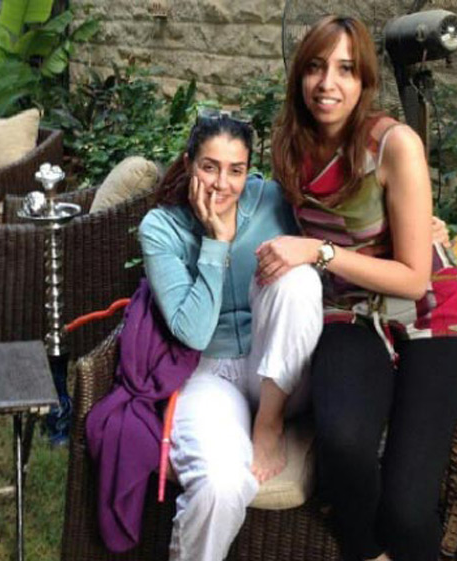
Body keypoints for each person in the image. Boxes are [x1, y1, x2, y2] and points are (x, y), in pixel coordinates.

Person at [255, 15, 457, 561]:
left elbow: (414, 277)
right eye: (315, 67)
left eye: (345, 70)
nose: (327, 84)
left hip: (432, 314)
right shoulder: (289, 144)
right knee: (344, 445)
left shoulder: (393, 145)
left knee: (406, 511)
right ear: (299, 74)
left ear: (364, 82)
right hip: (348, 310)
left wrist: (320, 251)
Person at [138, 112, 324, 561]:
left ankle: (268, 424)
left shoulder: (274, 201)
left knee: (298, 280)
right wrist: (216, 242)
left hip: (282, 372)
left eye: (235, 170)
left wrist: (422, 227)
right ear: (189, 164)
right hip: (210, 373)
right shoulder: (161, 228)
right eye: (210, 167)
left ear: (249, 171)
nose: (222, 184)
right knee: (219, 485)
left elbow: (344, 231)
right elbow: (193, 332)